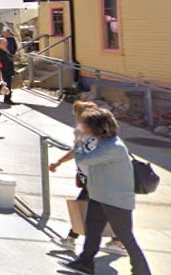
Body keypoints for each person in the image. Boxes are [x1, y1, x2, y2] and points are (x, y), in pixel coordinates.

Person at [64, 109, 152, 275]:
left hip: (116, 199)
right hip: (100, 194)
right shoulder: (103, 142)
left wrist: (78, 140)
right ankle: (85, 262)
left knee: (125, 235)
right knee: (93, 229)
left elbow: (84, 159)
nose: (81, 126)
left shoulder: (113, 147)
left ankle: (142, 271)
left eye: (85, 124)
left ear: (96, 127)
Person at [49, 102, 125, 255]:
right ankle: (116, 242)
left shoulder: (91, 135)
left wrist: (61, 161)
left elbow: (81, 153)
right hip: (98, 179)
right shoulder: (96, 133)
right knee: (105, 210)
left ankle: (73, 240)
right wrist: (60, 161)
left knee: (89, 209)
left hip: (98, 180)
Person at [0, 37, 16, 105]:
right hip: (2, 71)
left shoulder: (6, 50)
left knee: (3, 85)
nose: (6, 44)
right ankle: (7, 99)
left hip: (8, 71)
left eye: (6, 43)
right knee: (4, 85)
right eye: (4, 43)